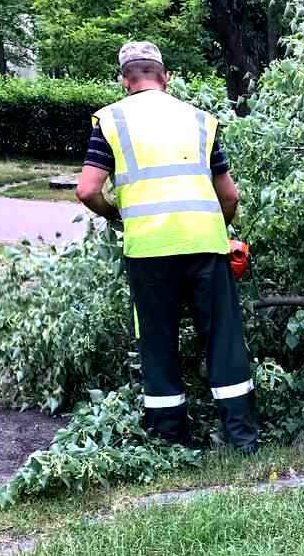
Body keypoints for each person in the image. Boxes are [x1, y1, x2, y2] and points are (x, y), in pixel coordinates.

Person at [76, 40, 258, 453]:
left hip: (149, 250)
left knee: (158, 343)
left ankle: (171, 442)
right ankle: (243, 440)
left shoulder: (111, 120)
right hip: (205, 245)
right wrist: (218, 229)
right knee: (223, 340)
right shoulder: (200, 121)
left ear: (126, 80)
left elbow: (87, 191)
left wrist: (116, 216)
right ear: (166, 77)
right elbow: (230, 197)